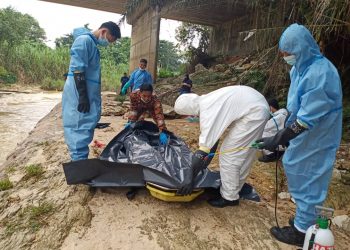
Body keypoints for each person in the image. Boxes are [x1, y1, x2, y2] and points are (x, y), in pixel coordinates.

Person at [256, 23, 342, 247]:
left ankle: (302, 231)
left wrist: (279, 138)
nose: (286, 57)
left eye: (289, 53)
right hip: (303, 130)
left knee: (311, 176)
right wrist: (282, 131)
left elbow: (308, 117)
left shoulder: (322, 73)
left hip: (318, 134)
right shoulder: (298, 69)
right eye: (283, 54)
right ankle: (307, 219)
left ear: (302, 49)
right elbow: (297, 107)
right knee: (295, 167)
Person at [174, 86, 269, 207]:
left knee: (229, 154)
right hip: (259, 105)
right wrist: (204, 164)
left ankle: (229, 198)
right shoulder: (209, 100)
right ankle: (235, 190)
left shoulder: (207, 111)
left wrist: (189, 178)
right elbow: (213, 141)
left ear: (188, 111)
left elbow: (203, 150)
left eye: (184, 116)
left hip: (253, 113)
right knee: (244, 153)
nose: (187, 118)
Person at [62, 22, 121, 161]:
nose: (108, 43)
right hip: (80, 93)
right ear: (104, 31)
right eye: (109, 40)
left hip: (87, 92)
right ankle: (78, 163)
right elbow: (78, 69)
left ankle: (80, 161)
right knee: (78, 127)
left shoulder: (91, 44)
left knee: (83, 125)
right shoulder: (84, 41)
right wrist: (82, 96)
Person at [258, 98, 288, 162]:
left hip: (281, 143)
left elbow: (265, 127)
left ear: (270, 107)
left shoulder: (278, 117)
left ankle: (271, 155)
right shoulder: (283, 114)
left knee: (262, 134)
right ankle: (276, 152)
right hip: (284, 139)